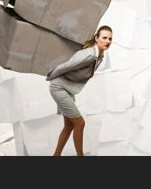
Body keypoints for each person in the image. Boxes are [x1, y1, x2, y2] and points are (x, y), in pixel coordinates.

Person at [46, 25, 113, 156]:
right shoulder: (89, 55)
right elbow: (67, 65)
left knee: (69, 125)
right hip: (58, 88)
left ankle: (56, 155)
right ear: (96, 38)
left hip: (67, 88)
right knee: (80, 123)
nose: (107, 41)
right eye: (104, 38)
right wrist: (51, 76)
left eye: (110, 39)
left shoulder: (99, 56)